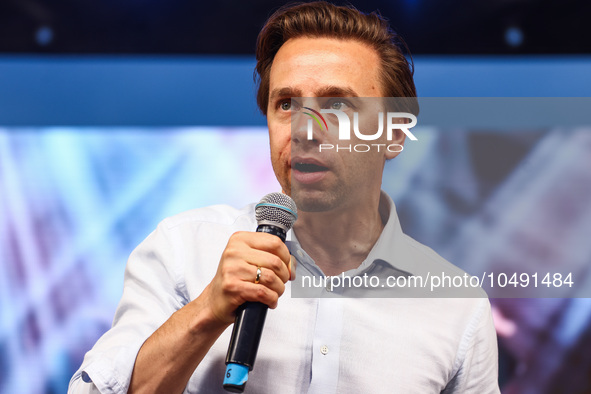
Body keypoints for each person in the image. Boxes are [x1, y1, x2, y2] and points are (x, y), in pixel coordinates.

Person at [69, 2, 499, 393]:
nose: (304, 130)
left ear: (394, 134)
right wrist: (207, 310)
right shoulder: (182, 250)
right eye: (287, 103)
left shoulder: (457, 306)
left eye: (337, 105)